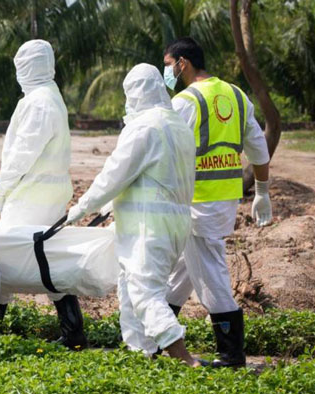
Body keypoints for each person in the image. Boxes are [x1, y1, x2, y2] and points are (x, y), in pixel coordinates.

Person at [65, 64, 199, 366]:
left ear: (137, 93)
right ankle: (142, 354)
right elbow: (156, 175)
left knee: (144, 293)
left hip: (148, 227)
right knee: (130, 290)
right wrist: (110, 205)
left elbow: (114, 173)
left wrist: (82, 207)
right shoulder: (177, 124)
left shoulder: (144, 127)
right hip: (173, 222)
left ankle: (184, 359)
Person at [162, 37, 273, 368]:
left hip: (197, 205)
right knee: (183, 271)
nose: (166, 71)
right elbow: (258, 150)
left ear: (183, 63)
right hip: (224, 202)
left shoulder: (185, 102)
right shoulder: (237, 96)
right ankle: (156, 335)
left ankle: (231, 354)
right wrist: (263, 191)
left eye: (168, 64)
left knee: (210, 277)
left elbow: (163, 150)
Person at [0, 39, 87, 350]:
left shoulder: (39, 102)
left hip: (30, 196)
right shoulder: (47, 96)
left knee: (3, 256)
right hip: (45, 194)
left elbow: (21, 155)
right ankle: (72, 330)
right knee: (45, 261)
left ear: (28, 68)